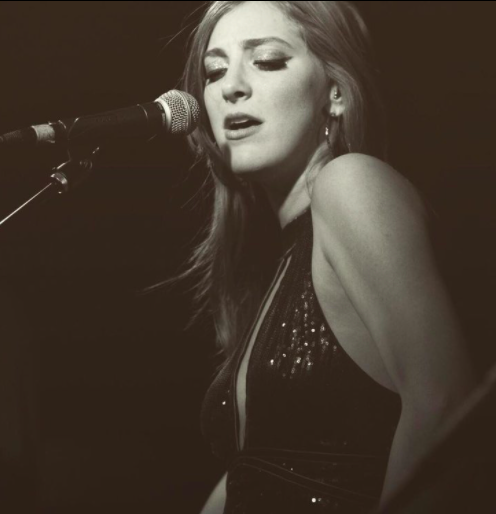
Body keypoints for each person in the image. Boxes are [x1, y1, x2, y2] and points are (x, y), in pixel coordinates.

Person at [174, 1, 476, 512]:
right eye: (215, 71)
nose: (231, 88)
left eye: (267, 61)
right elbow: (257, 474)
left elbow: (445, 402)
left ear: (335, 91)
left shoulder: (349, 183)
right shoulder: (284, 256)